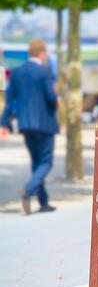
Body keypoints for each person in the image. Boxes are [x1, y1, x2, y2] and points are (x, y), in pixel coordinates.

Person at [0, 39, 59, 215]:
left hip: (25, 123)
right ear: (42, 53)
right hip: (45, 123)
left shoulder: (16, 72)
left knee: (36, 161)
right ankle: (29, 189)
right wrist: (56, 105)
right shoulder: (45, 70)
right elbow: (50, 97)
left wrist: (4, 123)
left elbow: (10, 101)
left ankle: (43, 202)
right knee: (46, 161)